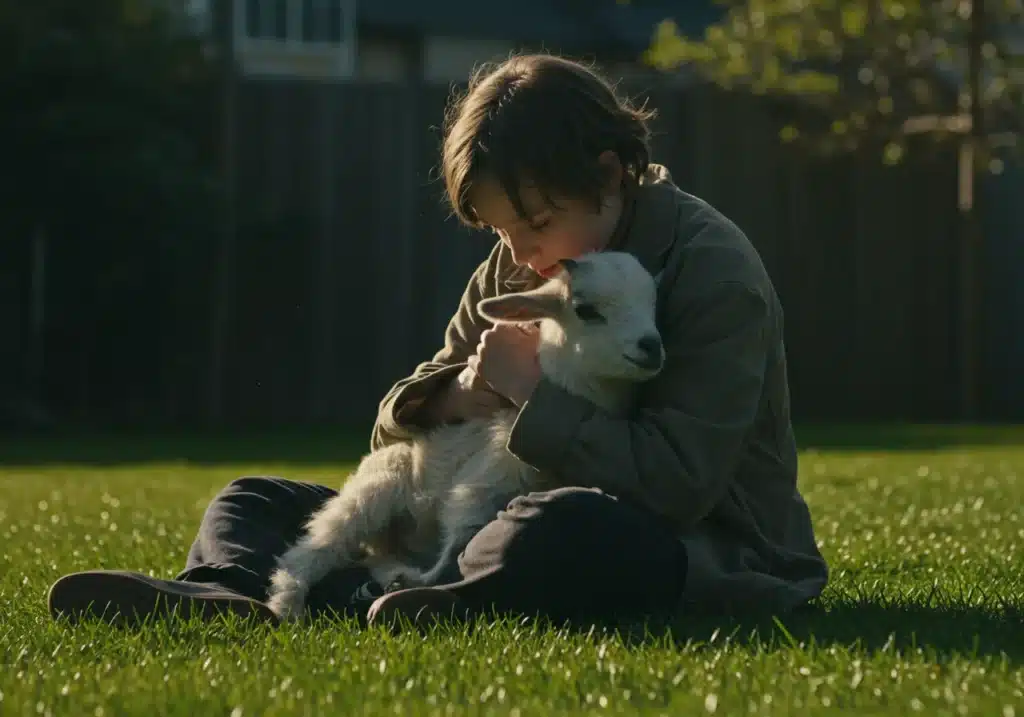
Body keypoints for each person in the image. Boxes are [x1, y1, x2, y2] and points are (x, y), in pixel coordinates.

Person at [47, 53, 828, 629]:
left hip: (686, 540)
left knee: (564, 529)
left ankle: (436, 593)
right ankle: (234, 590)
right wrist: (463, 390)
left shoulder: (711, 271)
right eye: (500, 230)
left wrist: (531, 394)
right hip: (471, 502)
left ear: (612, 173)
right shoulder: (522, 263)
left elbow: (680, 482)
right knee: (251, 497)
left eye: (536, 221)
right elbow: (397, 425)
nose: (520, 250)